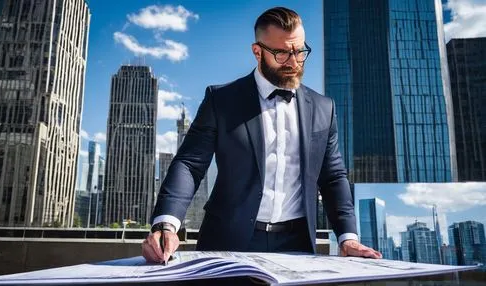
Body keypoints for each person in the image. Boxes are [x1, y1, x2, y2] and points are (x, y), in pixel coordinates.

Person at [142, 6, 382, 264]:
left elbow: (333, 176)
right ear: (258, 52)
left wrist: (348, 237)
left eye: (300, 51)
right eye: (281, 53)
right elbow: (190, 164)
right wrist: (166, 223)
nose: (293, 62)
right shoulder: (221, 100)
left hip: (298, 244)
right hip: (227, 240)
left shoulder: (324, 108)